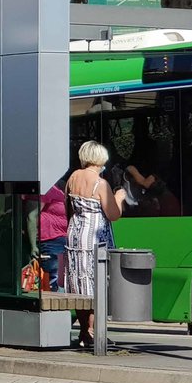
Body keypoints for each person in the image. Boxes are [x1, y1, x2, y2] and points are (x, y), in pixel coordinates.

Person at [65, 140, 127, 348]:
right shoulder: (100, 184)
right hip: (95, 240)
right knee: (96, 283)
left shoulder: (73, 177)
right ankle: (93, 332)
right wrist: (119, 197)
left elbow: (67, 207)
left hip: (75, 236)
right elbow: (113, 214)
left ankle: (84, 330)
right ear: (100, 159)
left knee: (80, 284)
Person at [25, 168, 73, 292]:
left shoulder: (58, 189)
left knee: (60, 281)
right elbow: (31, 216)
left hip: (61, 240)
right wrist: (33, 246)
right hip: (51, 241)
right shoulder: (46, 189)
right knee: (54, 281)